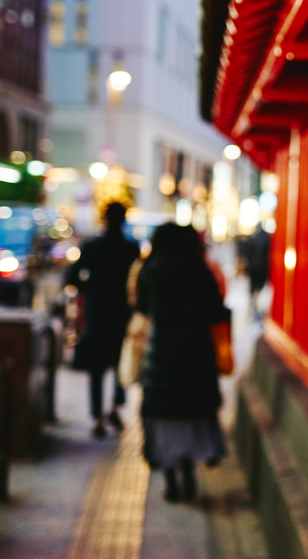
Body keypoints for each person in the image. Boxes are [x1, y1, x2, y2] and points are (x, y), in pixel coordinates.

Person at [136, 222, 228, 502]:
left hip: (161, 353)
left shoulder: (150, 270)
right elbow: (215, 309)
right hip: (194, 352)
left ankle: (171, 481)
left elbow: (141, 307)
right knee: (190, 413)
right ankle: (189, 475)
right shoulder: (198, 269)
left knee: (164, 417)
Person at [66, 202, 141, 438]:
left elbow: (71, 277)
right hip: (123, 314)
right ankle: (116, 408)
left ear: (105, 219)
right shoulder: (132, 249)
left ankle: (97, 417)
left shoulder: (92, 246)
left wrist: (90, 290)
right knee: (121, 363)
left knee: (96, 367)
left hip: (97, 313)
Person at [241, 224, 270, 319]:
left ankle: (253, 306)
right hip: (263, 268)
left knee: (253, 288)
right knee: (260, 287)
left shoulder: (253, 239)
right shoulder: (267, 239)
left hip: (253, 268)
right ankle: (257, 306)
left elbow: (247, 254)